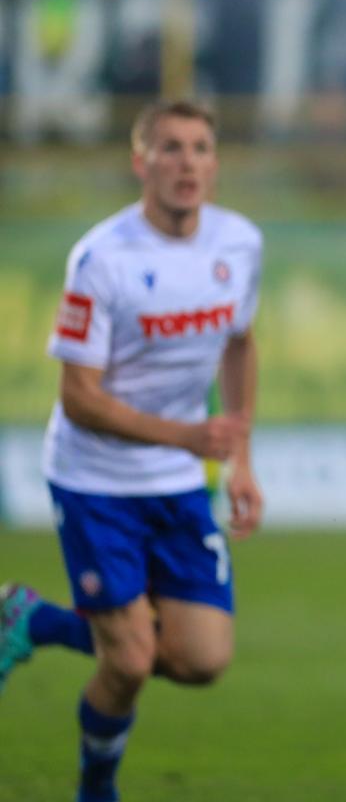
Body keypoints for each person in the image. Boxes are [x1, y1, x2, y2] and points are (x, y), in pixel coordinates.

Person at [0, 100, 264, 802]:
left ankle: (35, 618)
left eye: (201, 148)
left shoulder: (239, 244)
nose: (187, 163)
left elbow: (240, 341)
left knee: (204, 658)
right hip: (95, 481)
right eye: (170, 149)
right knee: (131, 659)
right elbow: (79, 398)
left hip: (176, 482)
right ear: (140, 161)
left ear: (215, 162)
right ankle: (96, 791)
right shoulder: (101, 258)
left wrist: (239, 458)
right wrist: (187, 437)